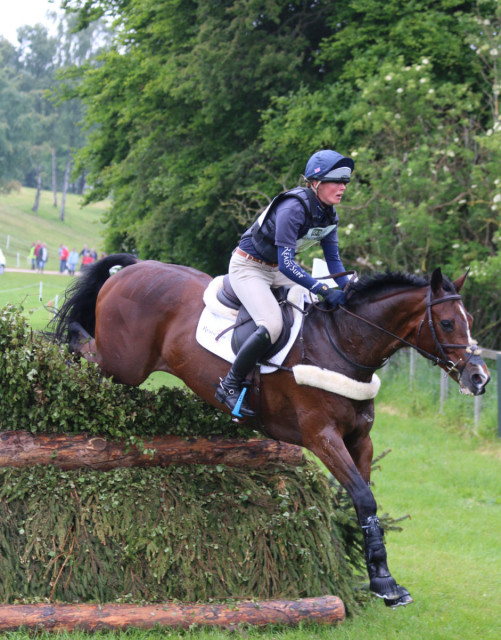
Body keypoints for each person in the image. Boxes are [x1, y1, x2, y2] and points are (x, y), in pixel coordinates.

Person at [215, 149, 354, 418]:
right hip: (248, 267)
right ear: (315, 183)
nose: (342, 187)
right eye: (336, 181)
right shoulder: (293, 208)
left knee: (314, 308)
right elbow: (289, 263)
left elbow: (334, 261)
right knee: (274, 324)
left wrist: (347, 291)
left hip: (277, 269)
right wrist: (324, 289)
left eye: (345, 182)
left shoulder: (329, 216)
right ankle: (229, 384)